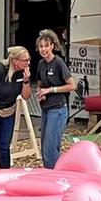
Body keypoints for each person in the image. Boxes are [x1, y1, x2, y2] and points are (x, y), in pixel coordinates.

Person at [34, 29, 75, 168]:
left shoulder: (58, 63)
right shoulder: (41, 64)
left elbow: (72, 85)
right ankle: (48, 171)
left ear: (52, 46)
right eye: (41, 46)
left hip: (57, 108)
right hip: (45, 108)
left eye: (46, 46)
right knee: (44, 145)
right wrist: (40, 92)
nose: (43, 49)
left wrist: (51, 90)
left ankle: (55, 173)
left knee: (51, 147)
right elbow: (40, 83)